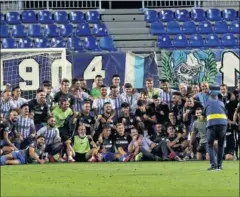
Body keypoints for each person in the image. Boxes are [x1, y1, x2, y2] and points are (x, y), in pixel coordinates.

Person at [203, 91, 228, 170]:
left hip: (212, 124)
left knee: (210, 145)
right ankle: (219, 165)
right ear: (217, 97)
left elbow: (204, 115)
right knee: (221, 145)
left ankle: (213, 165)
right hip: (223, 124)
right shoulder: (221, 103)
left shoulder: (207, 103)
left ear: (210, 97)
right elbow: (225, 112)